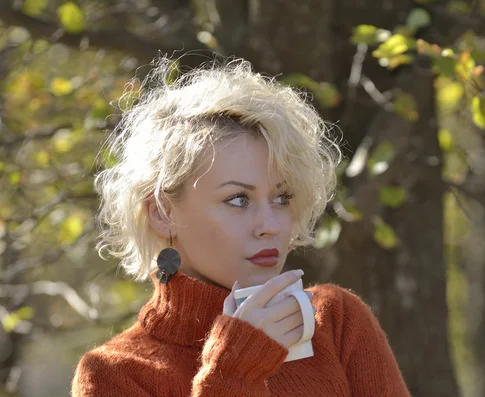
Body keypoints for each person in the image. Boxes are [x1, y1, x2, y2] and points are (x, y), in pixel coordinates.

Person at [71, 55, 411, 397]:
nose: (270, 225)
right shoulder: (114, 374)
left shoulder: (336, 323)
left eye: (282, 198)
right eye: (238, 200)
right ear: (161, 211)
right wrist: (233, 374)